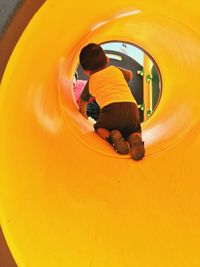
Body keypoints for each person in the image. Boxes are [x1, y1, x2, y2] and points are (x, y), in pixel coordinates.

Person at [79, 43, 145, 160]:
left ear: (86, 71)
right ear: (107, 59)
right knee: (134, 128)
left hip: (111, 111)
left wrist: (83, 114)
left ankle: (111, 138)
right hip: (131, 109)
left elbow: (83, 100)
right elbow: (130, 74)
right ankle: (135, 138)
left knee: (99, 128)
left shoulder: (91, 81)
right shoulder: (115, 70)